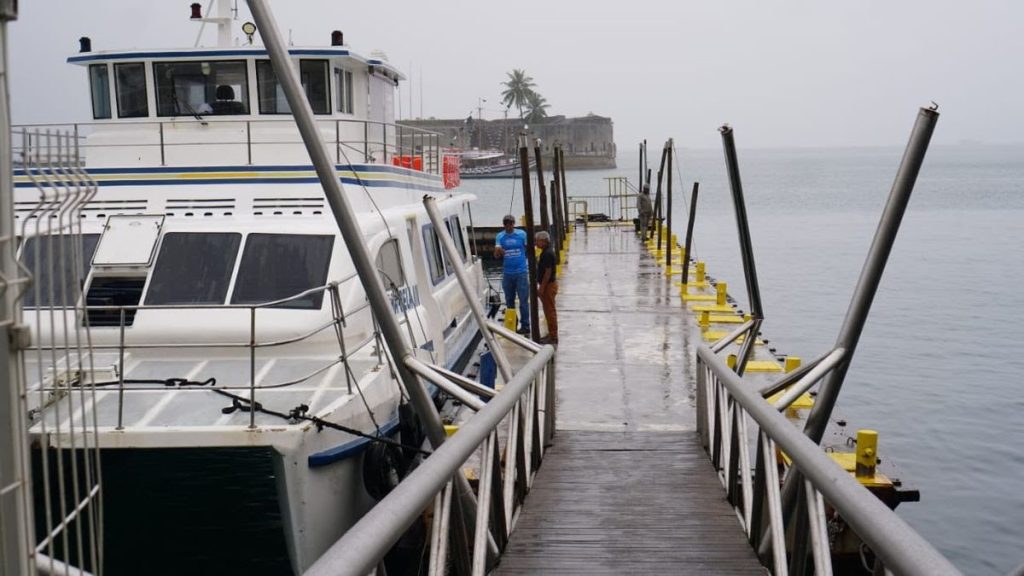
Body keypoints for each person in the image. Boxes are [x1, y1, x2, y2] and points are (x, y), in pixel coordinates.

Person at [494, 215, 530, 335]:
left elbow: (528, 248)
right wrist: (499, 251)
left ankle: (525, 325)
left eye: (510, 223)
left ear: (514, 223)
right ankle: (512, 323)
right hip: (507, 273)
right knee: (509, 300)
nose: (508, 226)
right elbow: (496, 255)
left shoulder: (522, 234)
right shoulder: (500, 236)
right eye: (506, 224)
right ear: (504, 225)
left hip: (521, 272)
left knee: (523, 300)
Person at [535, 231, 558, 345]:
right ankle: (551, 333)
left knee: (550, 311)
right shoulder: (545, 252)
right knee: (547, 310)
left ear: (544, 241)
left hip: (549, 285)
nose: (536, 243)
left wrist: (542, 288)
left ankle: (553, 336)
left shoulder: (547, 254)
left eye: (537, 240)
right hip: (547, 285)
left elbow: (548, 272)